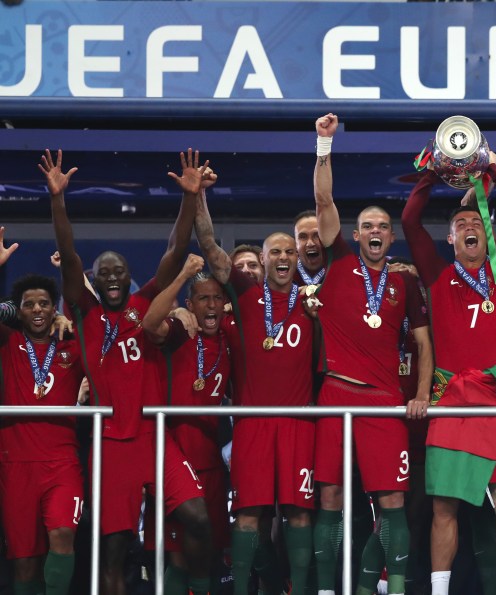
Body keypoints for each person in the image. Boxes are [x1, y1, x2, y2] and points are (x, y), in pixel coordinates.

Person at [43, 149, 213, 595]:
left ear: (129, 276)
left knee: (198, 516)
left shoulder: (145, 305)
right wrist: (58, 200)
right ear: (95, 282)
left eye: (119, 272)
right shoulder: (84, 314)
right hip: (112, 445)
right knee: (114, 550)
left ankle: (201, 586)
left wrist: (190, 199)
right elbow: (68, 252)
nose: (113, 278)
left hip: (155, 437)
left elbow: (176, 249)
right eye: (105, 274)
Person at [401, 132, 496, 595]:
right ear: (450, 237)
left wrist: (494, 168)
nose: (469, 228)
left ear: (487, 232)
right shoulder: (437, 276)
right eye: (460, 223)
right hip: (450, 402)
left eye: (476, 222)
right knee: (444, 507)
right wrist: (432, 169)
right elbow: (408, 219)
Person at [307, 113, 433, 595]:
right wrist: (324, 144)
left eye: (382, 225)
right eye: (367, 226)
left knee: (392, 499)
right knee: (331, 496)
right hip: (336, 394)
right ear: (355, 236)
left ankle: (391, 587)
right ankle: (323, 589)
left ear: (391, 236)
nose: (375, 231)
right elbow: (323, 199)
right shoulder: (338, 261)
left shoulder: (403, 283)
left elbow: (423, 343)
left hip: (384, 402)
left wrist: (420, 395)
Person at [193, 163, 315, 595]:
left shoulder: (312, 302)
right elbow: (209, 246)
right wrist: (199, 195)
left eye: (290, 253)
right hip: (252, 425)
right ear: (263, 261)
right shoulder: (245, 295)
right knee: (248, 517)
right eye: (276, 253)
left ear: (298, 260)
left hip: (300, 424)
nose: (284, 258)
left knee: (299, 515)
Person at [141, 254, 233, 593]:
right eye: (203, 298)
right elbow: (150, 322)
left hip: (209, 457)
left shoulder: (230, 338)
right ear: (191, 304)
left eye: (217, 298)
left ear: (225, 303)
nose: (210, 306)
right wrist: (182, 278)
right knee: (177, 553)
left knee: (207, 549)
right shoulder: (181, 330)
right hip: (173, 451)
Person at [0, 273, 84, 595]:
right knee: (25, 562)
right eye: (29, 304)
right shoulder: (8, 342)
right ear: (18, 311)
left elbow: (100, 326)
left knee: (63, 534)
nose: (37, 310)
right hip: (15, 464)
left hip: (61, 464)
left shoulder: (71, 346)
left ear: (54, 309)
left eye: (45, 304)